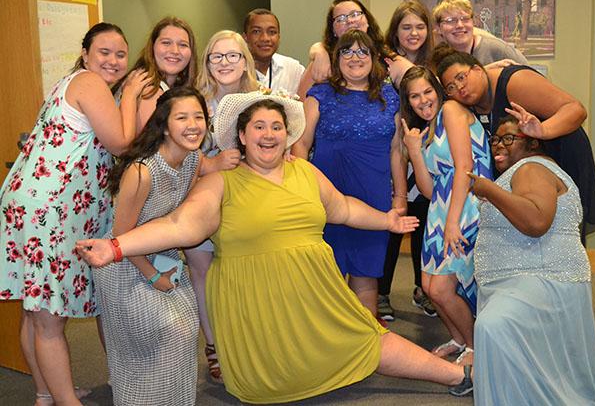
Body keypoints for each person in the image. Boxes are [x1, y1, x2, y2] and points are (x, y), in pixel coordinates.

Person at [76, 91, 474, 403]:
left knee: (365, 337)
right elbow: (180, 224)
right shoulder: (221, 182)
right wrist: (116, 247)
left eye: (277, 127)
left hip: (317, 291)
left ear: (288, 134)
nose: (269, 134)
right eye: (259, 127)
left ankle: (461, 375)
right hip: (258, 305)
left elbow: (343, 209)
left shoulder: (304, 171)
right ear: (242, 136)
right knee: (269, 383)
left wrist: (386, 219)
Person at [0, 22, 146, 406]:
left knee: (35, 311)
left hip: (33, 203)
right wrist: (129, 93)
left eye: (120, 54)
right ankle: (67, 402)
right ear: (85, 54)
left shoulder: (70, 83)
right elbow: (120, 143)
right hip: (51, 209)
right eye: (104, 52)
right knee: (49, 314)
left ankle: (46, 392)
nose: (113, 61)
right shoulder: (90, 84)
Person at [467, 116, 595, 404]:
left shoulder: (531, 167)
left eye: (508, 138)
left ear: (532, 141)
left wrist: (487, 189)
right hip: (530, 279)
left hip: (538, 279)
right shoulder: (526, 170)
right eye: (495, 139)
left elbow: (536, 220)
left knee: (494, 326)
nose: (498, 145)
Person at [94, 87, 207, 405]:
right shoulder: (142, 172)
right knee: (168, 328)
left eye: (198, 116)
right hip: (124, 263)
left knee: (186, 328)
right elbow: (121, 239)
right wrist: (153, 275)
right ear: (165, 125)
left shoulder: (193, 160)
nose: (193, 124)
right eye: (182, 117)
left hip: (163, 256)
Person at [432, 44, 595, 237]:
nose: (460, 88)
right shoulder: (468, 103)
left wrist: (543, 130)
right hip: (522, 176)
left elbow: (576, 109)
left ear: (478, 70)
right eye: (451, 87)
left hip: (560, 154)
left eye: (462, 77)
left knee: (560, 236)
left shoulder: (514, 83)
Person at [292, 30, 403, 318]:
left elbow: (396, 151)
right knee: (327, 276)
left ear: (374, 58)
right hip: (327, 195)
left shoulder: (388, 97)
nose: (356, 58)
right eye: (347, 52)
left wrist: (400, 197)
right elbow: (300, 146)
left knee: (366, 277)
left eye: (362, 51)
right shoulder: (320, 95)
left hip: (375, 195)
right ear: (336, 58)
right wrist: (307, 193)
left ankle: (366, 343)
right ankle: (330, 348)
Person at [400, 65, 493, 366]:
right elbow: (428, 190)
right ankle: (459, 338)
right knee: (429, 287)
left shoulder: (452, 109)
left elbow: (464, 167)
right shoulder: (426, 130)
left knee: (442, 286)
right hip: (440, 207)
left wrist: (452, 223)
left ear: (438, 90)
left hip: (465, 204)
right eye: (414, 96)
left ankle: (477, 347)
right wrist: (414, 149)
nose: (422, 100)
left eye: (427, 91)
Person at [192, 29, 259, 382]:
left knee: (244, 274)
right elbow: (180, 154)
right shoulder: (194, 103)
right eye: (216, 56)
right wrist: (211, 162)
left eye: (233, 55)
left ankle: (247, 345)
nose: (225, 63)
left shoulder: (261, 99)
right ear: (206, 62)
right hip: (203, 198)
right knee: (203, 273)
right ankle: (214, 346)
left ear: (245, 60)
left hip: (247, 200)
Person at [378, 0, 436, 320]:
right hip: (392, 153)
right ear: (395, 31)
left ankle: (422, 289)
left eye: (419, 26)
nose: (414, 33)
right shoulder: (383, 65)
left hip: (427, 157)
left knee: (424, 224)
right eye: (406, 27)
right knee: (393, 226)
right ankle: (382, 292)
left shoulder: (435, 63)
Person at [113, 16, 198, 134]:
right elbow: (153, 147)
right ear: (152, 47)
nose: (175, 51)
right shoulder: (147, 86)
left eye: (183, 45)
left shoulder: (174, 88)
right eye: (166, 43)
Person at [297, 0, 392, 99]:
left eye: (355, 14)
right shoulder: (324, 59)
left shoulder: (385, 55)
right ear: (333, 30)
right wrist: (319, 51)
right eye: (341, 18)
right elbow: (300, 103)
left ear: (367, 20)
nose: (350, 21)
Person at [432, 0, 528, 66]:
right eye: (451, 20)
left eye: (465, 19)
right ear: (438, 28)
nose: (460, 25)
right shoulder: (439, 57)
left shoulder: (497, 49)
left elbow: (532, 76)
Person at [242, 8, 305, 95]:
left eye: (272, 32)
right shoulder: (234, 70)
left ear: (279, 37)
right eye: (256, 31)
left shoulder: (293, 69)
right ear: (245, 37)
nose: (265, 38)